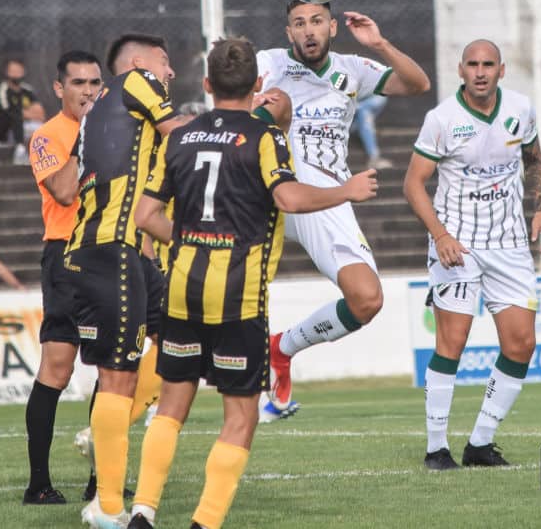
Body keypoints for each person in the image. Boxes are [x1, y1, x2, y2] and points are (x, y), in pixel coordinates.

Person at [127, 38, 378, 529]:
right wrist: (345, 190)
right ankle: (204, 522)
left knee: (172, 408)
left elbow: (144, 215)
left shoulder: (179, 137)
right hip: (237, 298)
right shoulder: (265, 138)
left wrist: (185, 243)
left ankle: (143, 513)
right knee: (239, 418)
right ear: (259, 84)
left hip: (181, 290)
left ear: (205, 85)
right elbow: (287, 197)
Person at [254, 0, 430, 420]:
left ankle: (282, 348)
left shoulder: (354, 68)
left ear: (333, 27)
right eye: (299, 23)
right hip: (266, 191)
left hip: (329, 197)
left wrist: (381, 43)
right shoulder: (269, 62)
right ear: (288, 31)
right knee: (218, 294)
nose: (308, 30)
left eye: (317, 21)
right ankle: (164, 397)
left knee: (367, 299)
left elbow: (417, 84)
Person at [403, 39, 541, 470]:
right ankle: (436, 449)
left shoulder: (521, 109)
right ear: (461, 70)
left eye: (489, 64)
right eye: (473, 64)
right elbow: (413, 184)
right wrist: (440, 236)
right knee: (453, 341)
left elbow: (535, 161)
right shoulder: (442, 119)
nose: (481, 71)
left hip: (509, 243)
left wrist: (540, 211)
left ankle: (480, 444)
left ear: (502, 70)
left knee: (522, 343)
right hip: (458, 243)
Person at [64, 33, 190, 529]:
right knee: (118, 375)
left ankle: (107, 434)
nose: (171, 73)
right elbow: (180, 133)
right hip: (110, 250)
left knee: (177, 346)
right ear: (138, 64)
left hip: (120, 251)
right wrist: (240, 123)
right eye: (166, 62)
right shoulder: (137, 80)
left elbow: (83, 185)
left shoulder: (97, 111)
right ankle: (108, 506)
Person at [21, 50, 103, 505]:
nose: (88, 91)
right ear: (59, 88)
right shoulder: (47, 137)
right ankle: (39, 483)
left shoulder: (112, 132)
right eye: (78, 83)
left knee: (113, 369)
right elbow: (65, 190)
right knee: (57, 366)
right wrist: (89, 135)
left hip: (108, 255)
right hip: (65, 256)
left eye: (94, 83)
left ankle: (101, 479)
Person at [0, 58, 46, 165]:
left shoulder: (27, 90)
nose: (16, 75)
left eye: (19, 71)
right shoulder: (2, 90)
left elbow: (41, 114)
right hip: (9, 130)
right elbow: (9, 113)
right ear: (7, 73)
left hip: (26, 125)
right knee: (18, 119)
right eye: (13, 71)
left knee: (45, 129)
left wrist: (24, 113)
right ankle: (20, 153)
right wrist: (28, 112)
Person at [351, 93, 392, 169]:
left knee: (380, 98)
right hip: (340, 116)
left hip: (357, 116)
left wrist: (358, 106)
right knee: (364, 113)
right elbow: (346, 94)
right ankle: (374, 157)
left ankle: (374, 158)